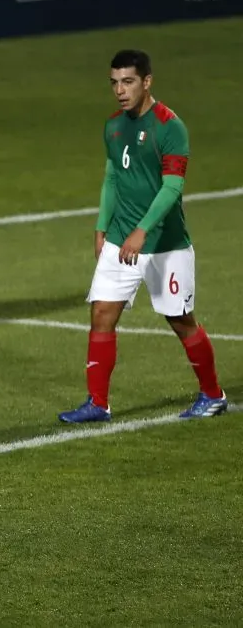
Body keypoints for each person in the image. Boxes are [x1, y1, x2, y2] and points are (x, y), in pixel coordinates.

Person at [59, 50, 227, 423]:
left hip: (164, 245)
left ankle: (213, 395)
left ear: (147, 82)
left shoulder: (170, 127)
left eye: (128, 81)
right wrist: (103, 227)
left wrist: (141, 231)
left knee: (181, 320)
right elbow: (112, 178)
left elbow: (172, 189)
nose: (120, 90)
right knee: (102, 312)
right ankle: (98, 403)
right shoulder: (113, 126)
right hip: (121, 238)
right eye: (114, 82)